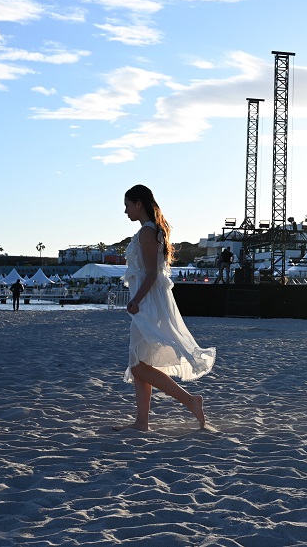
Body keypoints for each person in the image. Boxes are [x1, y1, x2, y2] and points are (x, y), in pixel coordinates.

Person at [114, 184, 216, 432]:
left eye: (127, 205)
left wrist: (136, 300)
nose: (125, 211)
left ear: (139, 204)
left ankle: (191, 401)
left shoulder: (147, 233)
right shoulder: (150, 231)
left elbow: (150, 273)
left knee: (138, 364)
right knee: (140, 363)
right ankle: (142, 422)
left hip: (147, 302)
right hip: (150, 300)